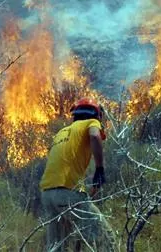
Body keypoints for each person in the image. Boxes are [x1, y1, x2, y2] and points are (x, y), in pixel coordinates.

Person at [39, 97, 114, 251]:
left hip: (47, 194)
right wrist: (100, 169)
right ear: (96, 115)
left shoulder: (61, 132)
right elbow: (94, 135)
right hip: (67, 191)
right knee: (105, 238)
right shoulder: (92, 123)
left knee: (56, 247)